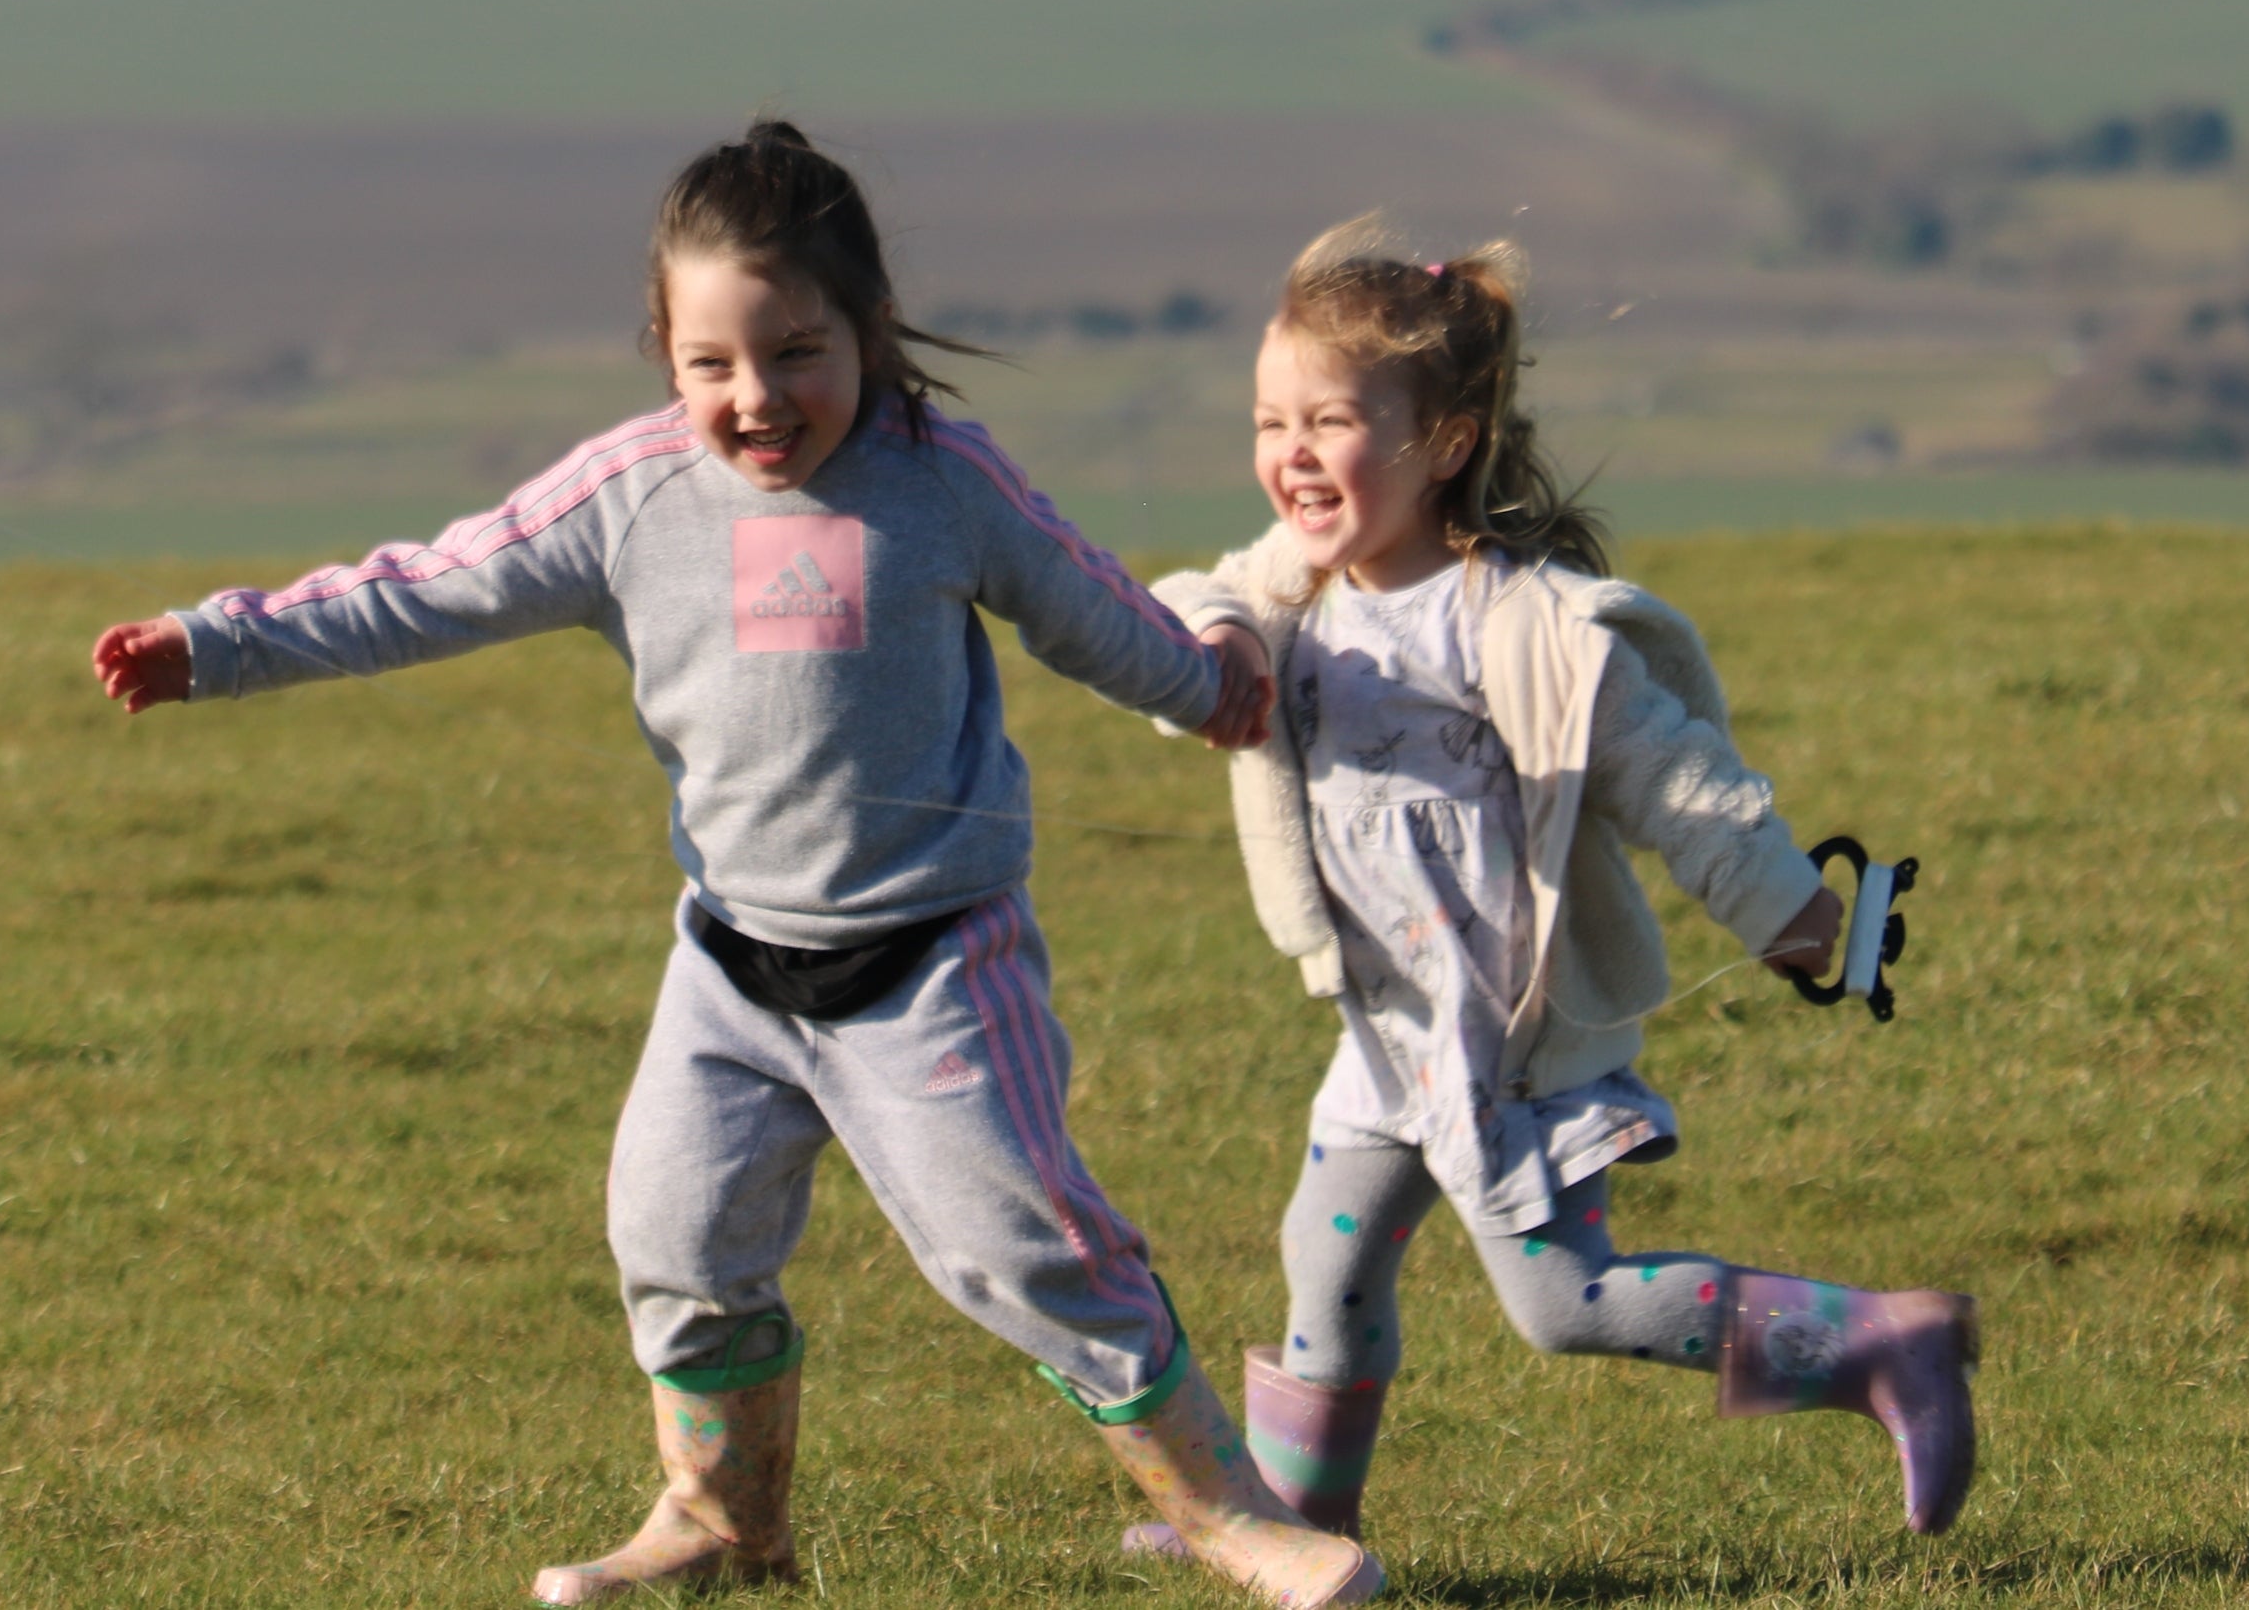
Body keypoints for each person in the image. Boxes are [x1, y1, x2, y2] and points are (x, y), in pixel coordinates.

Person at [89, 122, 1378, 1608]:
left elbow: (1087, 609)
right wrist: (220, 645)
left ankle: (1226, 1513)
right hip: (730, 971)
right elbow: (424, 590)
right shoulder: (628, 496)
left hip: (932, 970)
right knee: (675, 1236)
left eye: (799, 353)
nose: (758, 400)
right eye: (713, 365)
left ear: (871, 334)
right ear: (665, 350)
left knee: (1028, 1253)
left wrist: (1210, 676)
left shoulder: (944, 479)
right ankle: (723, 1526)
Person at [1131, 217, 1978, 1552]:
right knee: (1327, 1258)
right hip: (1389, 1031)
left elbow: (1678, 777)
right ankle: (1298, 1525)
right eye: (1267, 419)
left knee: (1561, 1303)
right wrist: (1220, 631)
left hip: (1508, 1040)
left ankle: (1879, 1344)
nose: (1289, 452)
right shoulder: (1287, 591)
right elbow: (1187, 609)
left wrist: (1782, 907)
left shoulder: (1525, 626)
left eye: (1330, 420)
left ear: (1445, 441)